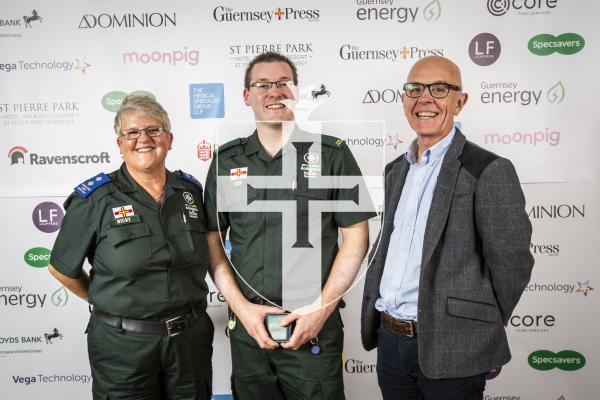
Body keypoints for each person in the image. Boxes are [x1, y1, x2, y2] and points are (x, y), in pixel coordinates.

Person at [361, 56, 534, 400]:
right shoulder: (397, 169)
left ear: (460, 101)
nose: (424, 99)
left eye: (439, 89)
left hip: (454, 346)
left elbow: (512, 263)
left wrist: (476, 324)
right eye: (414, 89)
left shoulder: (488, 169)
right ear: (404, 100)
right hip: (391, 344)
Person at [204, 52, 375, 399]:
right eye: (263, 85)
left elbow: (356, 238)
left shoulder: (331, 155)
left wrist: (321, 310)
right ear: (246, 96)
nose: (274, 92)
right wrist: (243, 310)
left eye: (283, 83)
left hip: (312, 328)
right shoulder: (226, 160)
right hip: (250, 331)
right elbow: (212, 242)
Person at [48, 95, 213, 400]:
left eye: (154, 130)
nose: (144, 139)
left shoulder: (190, 192)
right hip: (123, 346)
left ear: (170, 139)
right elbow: (61, 268)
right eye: (132, 133)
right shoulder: (95, 199)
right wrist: (110, 303)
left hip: (189, 341)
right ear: (119, 143)